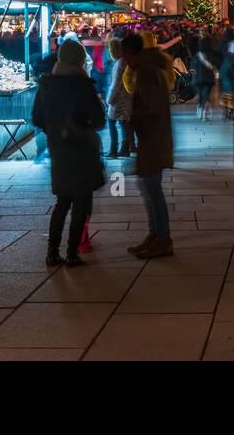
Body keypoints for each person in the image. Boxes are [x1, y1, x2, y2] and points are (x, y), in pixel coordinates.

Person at [32, 39, 106, 267]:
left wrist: (55, 131)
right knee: (81, 202)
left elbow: (37, 118)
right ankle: (72, 253)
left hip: (60, 151)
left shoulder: (47, 85)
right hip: (83, 149)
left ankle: (52, 252)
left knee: (62, 201)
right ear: (80, 60)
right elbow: (99, 120)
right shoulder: (83, 85)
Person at [121, 32, 175, 259]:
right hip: (152, 137)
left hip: (153, 138)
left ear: (130, 54)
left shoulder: (146, 72)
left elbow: (150, 108)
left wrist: (133, 121)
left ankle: (162, 239)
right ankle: (155, 235)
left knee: (153, 190)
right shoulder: (149, 68)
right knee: (150, 189)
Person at [104, 36, 132, 157]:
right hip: (126, 98)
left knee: (112, 123)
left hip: (118, 99)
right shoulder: (125, 60)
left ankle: (114, 149)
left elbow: (115, 83)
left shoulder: (119, 63)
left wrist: (109, 99)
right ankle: (125, 148)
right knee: (124, 123)